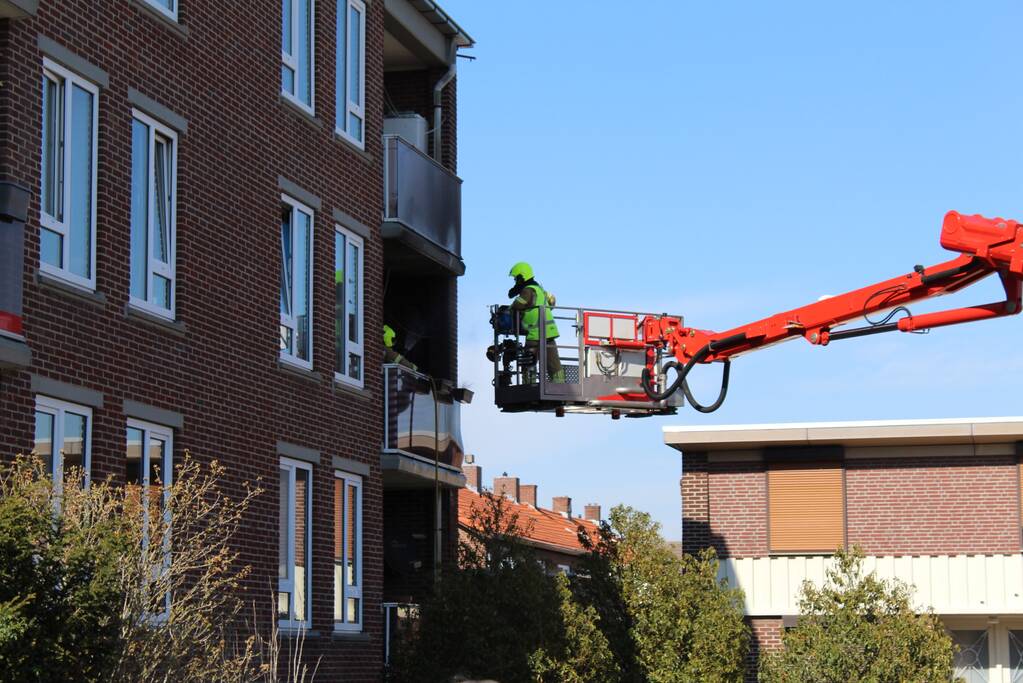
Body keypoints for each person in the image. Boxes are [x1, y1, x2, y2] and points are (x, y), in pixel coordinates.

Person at [508, 262, 565, 383]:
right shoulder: (539, 289)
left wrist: (509, 308)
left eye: (516, 278)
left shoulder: (528, 290)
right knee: (553, 362)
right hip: (549, 332)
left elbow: (518, 304)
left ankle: (529, 385)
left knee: (529, 361)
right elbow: (551, 303)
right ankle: (560, 385)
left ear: (522, 276)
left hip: (535, 333)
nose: (515, 281)